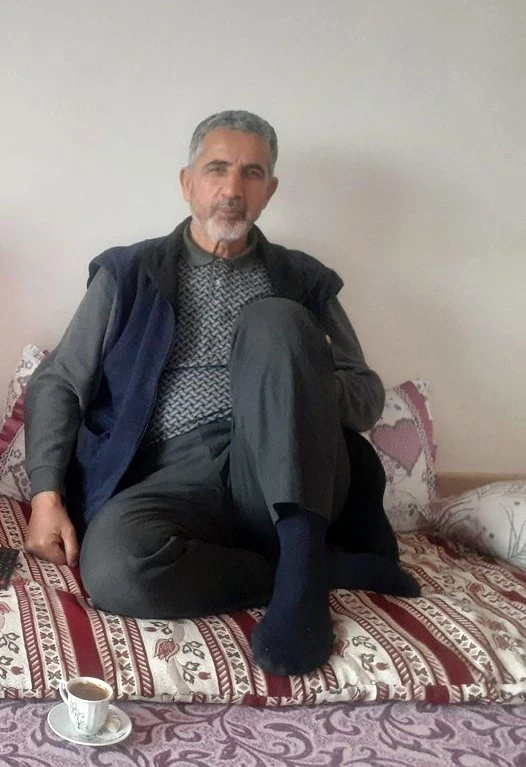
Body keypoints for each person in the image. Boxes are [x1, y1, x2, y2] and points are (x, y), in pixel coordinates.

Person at [24, 110, 419, 677]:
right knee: (114, 570)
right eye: (217, 169)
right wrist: (46, 496)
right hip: (169, 478)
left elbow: (364, 396)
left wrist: (298, 378)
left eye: (252, 173)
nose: (233, 188)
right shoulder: (128, 273)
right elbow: (60, 381)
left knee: (274, 322)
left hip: (281, 467)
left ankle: (301, 578)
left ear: (269, 191)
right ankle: (312, 570)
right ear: (187, 183)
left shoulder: (303, 281)